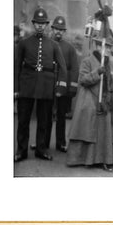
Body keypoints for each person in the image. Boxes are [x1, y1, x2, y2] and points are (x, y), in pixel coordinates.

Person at [14, 8, 67, 162]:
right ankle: (21, 151)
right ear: (33, 23)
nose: (40, 26)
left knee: (44, 121)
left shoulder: (53, 45)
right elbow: (16, 67)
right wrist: (16, 89)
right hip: (27, 85)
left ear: (46, 25)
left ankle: (41, 149)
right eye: (37, 23)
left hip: (46, 87)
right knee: (23, 120)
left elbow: (62, 68)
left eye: (43, 23)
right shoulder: (24, 44)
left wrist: (59, 88)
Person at [66, 36, 113, 171]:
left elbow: (111, 83)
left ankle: (102, 159)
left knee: (104, 131)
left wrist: (112, 99)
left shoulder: (111, 62)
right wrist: (97, 72)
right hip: (90, 100)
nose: (107, 50)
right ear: (98, 47)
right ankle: (85, 159)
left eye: (109, 47)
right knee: (89, 130)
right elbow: (83, 80)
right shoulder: (87, 61)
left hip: (105, 102)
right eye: (105, 47)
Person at [41, 16, 79, 153]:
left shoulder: (69, 48)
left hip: (64, 86)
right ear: (52, 29)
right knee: (45, 115)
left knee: (61, 116)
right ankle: (42, 143)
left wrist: (72, 88)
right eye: (56, 29)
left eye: (61, 30)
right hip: (47, 85)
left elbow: (74, 69)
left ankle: (61, 143)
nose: (58, 32)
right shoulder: (45, 44)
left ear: (64, 32)